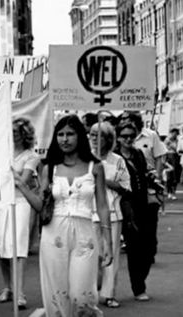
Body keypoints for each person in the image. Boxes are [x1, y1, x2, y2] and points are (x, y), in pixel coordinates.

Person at [34, 115, 112, 316]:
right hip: (53, 234)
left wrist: (108, 242)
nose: (64, 139)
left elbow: (103, 205)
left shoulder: (95, 167)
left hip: (85, 235)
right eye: (60, 134)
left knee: (81, 295)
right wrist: (20, 186)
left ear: (80, 136)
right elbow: (40, 206)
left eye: (70, 134)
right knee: (57, 293)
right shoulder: (49, 168)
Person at [0, 117, 39, 310]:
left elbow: (22, 181)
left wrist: (6, 172)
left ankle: (20, 291)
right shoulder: (2, 153)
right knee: (2, 247)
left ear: (24, 135)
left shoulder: (31, 156)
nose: (13, 135)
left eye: (16, 132)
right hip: (1, 203)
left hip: (21, 203)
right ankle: (7, 287)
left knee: (19, 246)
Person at [89, 122, 131, 308]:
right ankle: (90, 291)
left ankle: (109, 294)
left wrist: (104, 181)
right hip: (87, 213)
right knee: (90, 255)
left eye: (99, 135)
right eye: (92, 134)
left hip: (112, 214)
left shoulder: (118, 160)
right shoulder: (84, 159)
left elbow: (126, 187)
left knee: (110, 255)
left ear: (109, 139)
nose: (94, 139)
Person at [119, 112, 165, 264]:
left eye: (127, 119)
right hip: (126, 191)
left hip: (146, 187)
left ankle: (149, 251)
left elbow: (159, 157)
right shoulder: (117, 149)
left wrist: (156, 176)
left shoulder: (150, 136)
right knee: (131, 224)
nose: (128, 139)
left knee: (149, 223)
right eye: (124, 136)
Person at [114, 122, 154, 301]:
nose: (128, 139)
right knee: (135, 247)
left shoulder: (138, 154)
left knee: (149, 247)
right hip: (126, 206)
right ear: (118, 138)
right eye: (124, 136)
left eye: (132, 135)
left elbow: (143, 175)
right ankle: (138, 287)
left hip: (144, 204)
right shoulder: (114, 157)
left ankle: (141, 278)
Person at [164, 128, 179, 200]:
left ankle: (173, 192)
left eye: (176, 133)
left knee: (175, 176)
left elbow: (177, 149)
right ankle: (169, 192)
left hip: (175, 157)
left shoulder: (178, 140)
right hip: (168, 157)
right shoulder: (167, 140)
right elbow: (164, 149)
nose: (174, 135)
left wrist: (172, 147)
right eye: (173, 133)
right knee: (169, 176)